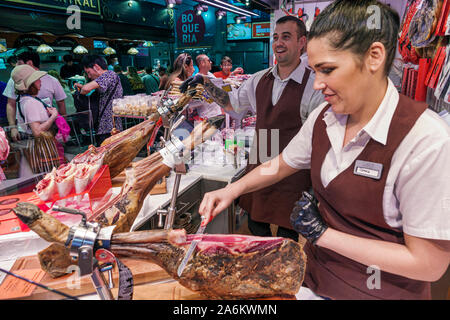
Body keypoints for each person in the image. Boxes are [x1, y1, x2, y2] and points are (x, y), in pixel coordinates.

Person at [198, 0, 450, 300]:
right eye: (315, 70)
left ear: (374, 57)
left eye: (327, 70)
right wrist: (231, 190)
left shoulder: (425, 139)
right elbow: (281, 163)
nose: (317, 84)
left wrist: (323, 235)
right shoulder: (324, 118)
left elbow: (428, 265)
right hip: (316, 283)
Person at [182, 15, 324, 241]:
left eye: (286, 37)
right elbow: (232, 105)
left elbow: (319, 137)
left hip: (294, 168)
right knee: (256, 227)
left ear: (302, 43)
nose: (278, 43)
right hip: (261, 160)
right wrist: (206, 84)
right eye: (275, 37)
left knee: (288, 234)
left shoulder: (314, 84)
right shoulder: (258, 80)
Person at [3, 51, 67, 142]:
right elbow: (11, 104)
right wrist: (13, 127)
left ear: (29, 63)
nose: (16, 65)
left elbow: (61, 103)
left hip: (47, 131)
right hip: (31, 133)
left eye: (19, 63)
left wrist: (62, 127)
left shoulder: (52, 81)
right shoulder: (17, 83)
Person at [11, 64, 65, 165]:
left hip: (34, 147)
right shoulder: (30, 102)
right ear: (30, 84)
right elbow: (37, 132)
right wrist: (53, 116)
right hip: (40, 149)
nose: (40, 81)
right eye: (36, 79)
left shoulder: (22, 99)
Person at [75, 55, 123, 146]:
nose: (89, 76)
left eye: (88, 72)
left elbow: (86, 88)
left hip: (110, 127)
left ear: (96, 67)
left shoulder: (109, 74)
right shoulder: (104, 79)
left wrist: (82, 89)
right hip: (105, 126)